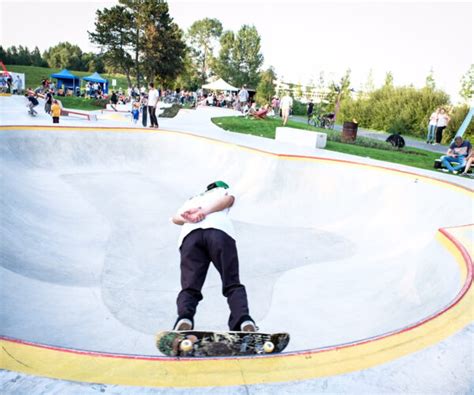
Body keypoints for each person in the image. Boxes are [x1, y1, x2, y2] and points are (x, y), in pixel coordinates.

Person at [170, 181, 257, 332]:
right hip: (219, 232)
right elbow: (228, 200)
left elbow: (175, 218)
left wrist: (189, 218)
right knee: (232, 283)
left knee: (189, 287)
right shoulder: (222, 190)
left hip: (190, 237)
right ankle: (243, 319)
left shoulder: (192, 199)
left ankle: (184, 317)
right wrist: (204, 211)